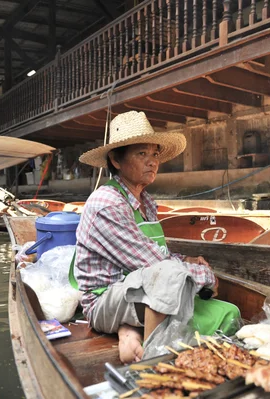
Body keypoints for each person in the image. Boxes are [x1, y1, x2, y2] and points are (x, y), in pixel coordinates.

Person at [74, 111, 218, 363]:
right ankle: (152, 361)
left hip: (137, 289)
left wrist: (186, 258)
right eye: (142, 154)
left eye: (154, 154)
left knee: (226, 314)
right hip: (104, 300)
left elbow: (155, 253)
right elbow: (157, 267)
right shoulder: (107, 203)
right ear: (116, 160)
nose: (152, 162)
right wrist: (206, 277)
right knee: (170, 278)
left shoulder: (146, 202)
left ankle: (128, 329)